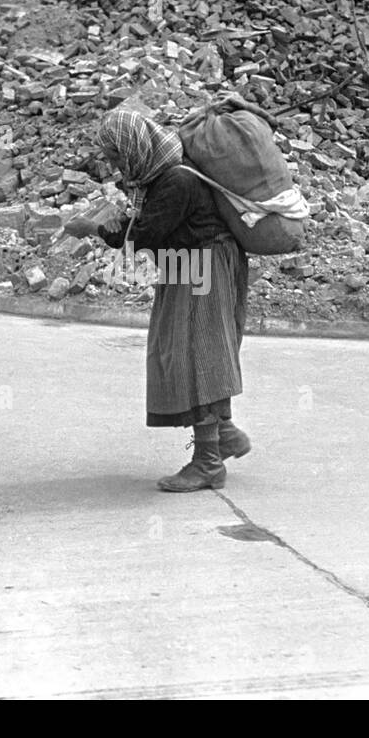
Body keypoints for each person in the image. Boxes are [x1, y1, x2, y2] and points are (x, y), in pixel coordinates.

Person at [64, 108, 252, 492]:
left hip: (203, 265)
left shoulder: (176, 180)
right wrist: (122, 223)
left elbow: (145, 235)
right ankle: (225, 433)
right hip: (189, 264)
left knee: (197, 354)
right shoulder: (163, 177)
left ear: (135, 147)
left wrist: (94, 229)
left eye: (117, 155)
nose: (116, 165)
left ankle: (208, 463)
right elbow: (150, 227)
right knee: (192, 350)